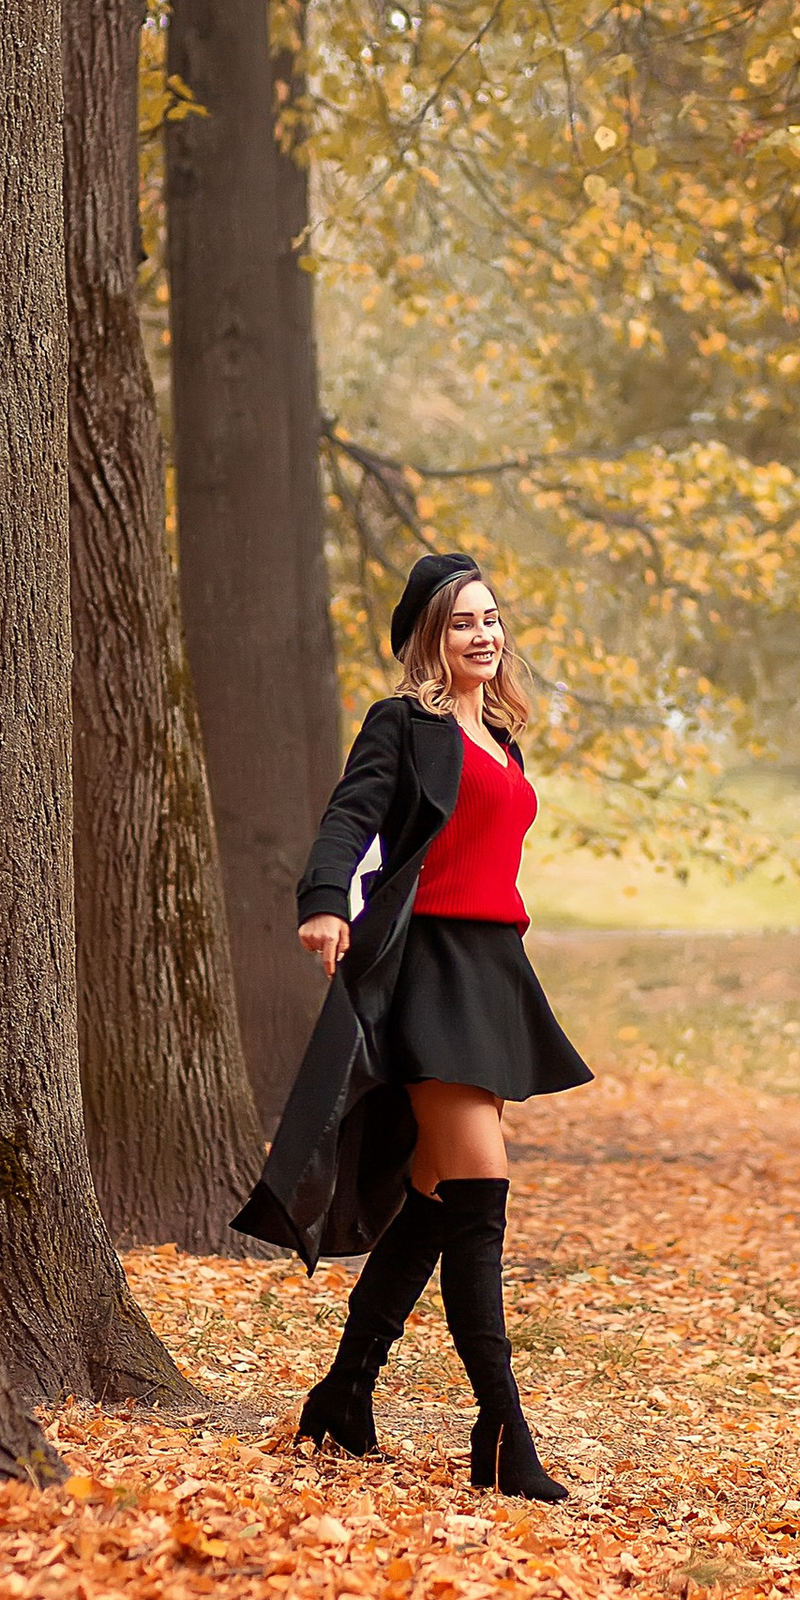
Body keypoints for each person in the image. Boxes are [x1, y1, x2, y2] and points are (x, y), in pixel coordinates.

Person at [233, 549, 590, 1499]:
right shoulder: (404, 724)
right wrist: (323, 900)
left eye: (492, 617)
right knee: (480, 1199)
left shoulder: (505, 740)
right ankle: (503, 1435)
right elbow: (350, 819)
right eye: (463, 621)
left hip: (492, 971)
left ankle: (344, 1394)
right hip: (425, 971)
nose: (484, 633)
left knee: (435, 1197)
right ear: (429, 638)